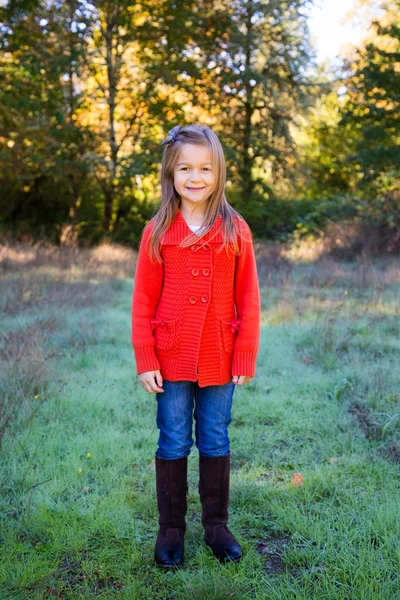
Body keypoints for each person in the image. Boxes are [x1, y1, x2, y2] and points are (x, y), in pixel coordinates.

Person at [131, 124, 261, 569]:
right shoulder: (158, 229)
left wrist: (245, 353)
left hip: (220, 356)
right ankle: (171, 531)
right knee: (172, 439)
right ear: (171, 172)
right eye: (185, 168)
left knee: (214, 435)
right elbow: (142, 301)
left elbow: (249, 297)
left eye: (205, 168)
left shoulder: (235, 228)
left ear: (219, 172)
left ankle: (216, 526)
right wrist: (145, 357)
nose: (195, 177)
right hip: (170, 357)